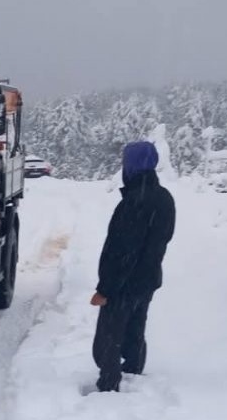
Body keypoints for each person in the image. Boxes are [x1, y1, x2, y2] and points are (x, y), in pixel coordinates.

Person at [90, 141, 175, 392]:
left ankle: (109, 386)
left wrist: (105, 288)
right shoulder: (164, 198)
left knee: (108, 340)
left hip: (123, 283)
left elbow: (122, 250)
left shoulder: (135, 202)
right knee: (135, 332)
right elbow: (160, 240)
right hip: (147, 279)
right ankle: (134, 379)